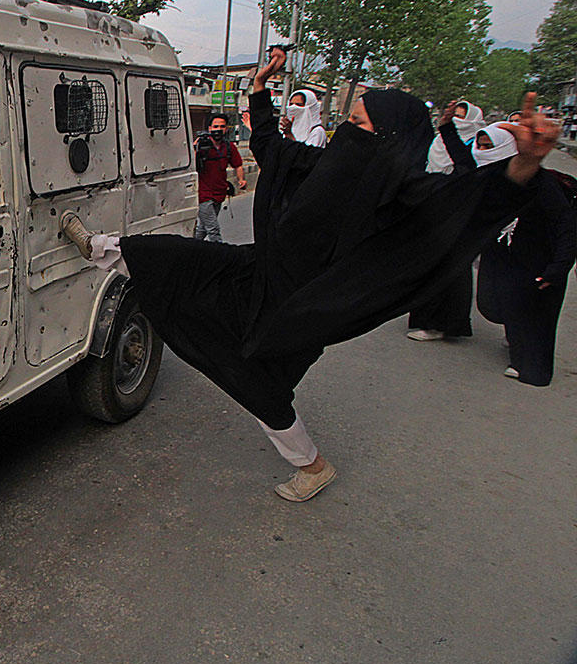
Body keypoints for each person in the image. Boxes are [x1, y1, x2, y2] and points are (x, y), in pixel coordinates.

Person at [59, 48, 556, 503]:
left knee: (253, 383)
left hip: (298, 310)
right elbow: (271, 147)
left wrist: (523, 166)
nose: (349, 134)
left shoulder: (402, 197)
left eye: (360, 125)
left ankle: (312, 467)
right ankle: (100, 248)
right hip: (258, 268)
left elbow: (466, 205)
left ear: (386, 140)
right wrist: (258, 88)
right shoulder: (321, 162)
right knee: (172, 255)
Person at [465, 126, 577, 385]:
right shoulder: (489, 177)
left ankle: (528, 366)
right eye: (480, 146)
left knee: (534, 314)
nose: (482, 152)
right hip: (502, 253)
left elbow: (565, 223)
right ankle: (516, 335)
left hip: (538, 257)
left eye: (489, 146)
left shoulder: (540, 182)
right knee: (494, 304)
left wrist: (560, 265)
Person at [406, 99, 483, 342]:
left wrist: (448, 130)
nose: (456, 122)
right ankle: (426, 319)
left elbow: (465, 167)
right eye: (453, 118)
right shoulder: (438, 143)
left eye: (461, 118)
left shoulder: (477, 147)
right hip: (433, 211)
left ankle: (443, 323)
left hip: (459, 216)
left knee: (451, 272)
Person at [193, 113, 246, 242]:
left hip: (219, 193)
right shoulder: (201, 145)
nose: (218, 129)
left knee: (203, 228)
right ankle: (220, 255)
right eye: (215, 126)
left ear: (226, 129)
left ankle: (190, 249)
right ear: (210, 128)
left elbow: (238, 165)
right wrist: (195, 148)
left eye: (222, 126)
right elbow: (190, 164)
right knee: (213, 229)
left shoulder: (228, 147)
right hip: (203, 195)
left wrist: (241, 180)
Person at [425, 99, 484, 174]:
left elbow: (461, 158)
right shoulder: (439, 139)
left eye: (459, 116)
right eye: (453, 116)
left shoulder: (478, 144)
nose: (455, 119)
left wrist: (447, 127)